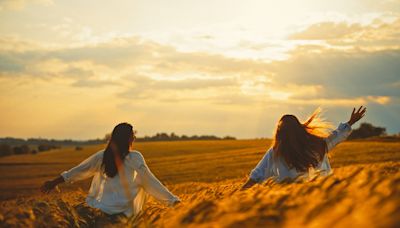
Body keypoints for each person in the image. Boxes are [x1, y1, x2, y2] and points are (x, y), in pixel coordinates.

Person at [40, 123, 180, 218]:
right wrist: (173, 201)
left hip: (100, 211)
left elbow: (79, 171)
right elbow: (150, 181)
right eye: (132, 134)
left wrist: (54, 182)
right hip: (123, 215)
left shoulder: (102, 155)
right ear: (127, 138)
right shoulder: (135, 157)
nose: (134, 137)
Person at [241, 106, 366, 190]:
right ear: (299, 129)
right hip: (320, 194)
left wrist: (239, 193)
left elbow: (256, 177)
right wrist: (350, 122)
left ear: (279, 133)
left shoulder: (275, 152)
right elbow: (336, 136)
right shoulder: (316, 145)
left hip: (289, 200)